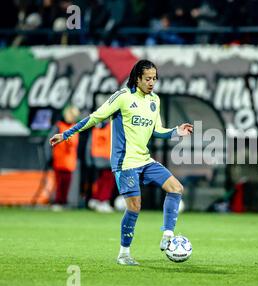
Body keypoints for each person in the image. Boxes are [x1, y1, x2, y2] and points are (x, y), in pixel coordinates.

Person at [49, 60, 194, 266]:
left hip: (144, 160)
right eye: (148, 79)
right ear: (137, 78)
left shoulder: (154, 100)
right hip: (125, 163)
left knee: (176, 188)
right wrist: (66, 134)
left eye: (154, 78)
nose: (152, 83)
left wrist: (175, 131)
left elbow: (157, 130)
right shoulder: (122, 97)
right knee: (135, 207)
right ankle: (124, 253)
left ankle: (167, 235)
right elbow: (94, 118)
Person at [46, 105, 80, 211]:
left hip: (70, 160)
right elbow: (50, 142)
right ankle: (57, 201)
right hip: (59, 159)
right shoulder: (59, 126)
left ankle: (63, 201)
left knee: (66, 183)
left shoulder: (75, 127)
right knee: (59, 182)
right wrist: (49, 157)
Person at [85, 120, 115, 213]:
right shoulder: (112, 126)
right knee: (108, 181)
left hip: (96, 158)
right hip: (107, 158)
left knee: (99, 180)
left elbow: (89, 145)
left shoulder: (95, 127)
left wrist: (89, 159)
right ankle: (103, 201)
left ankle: (96, 199)